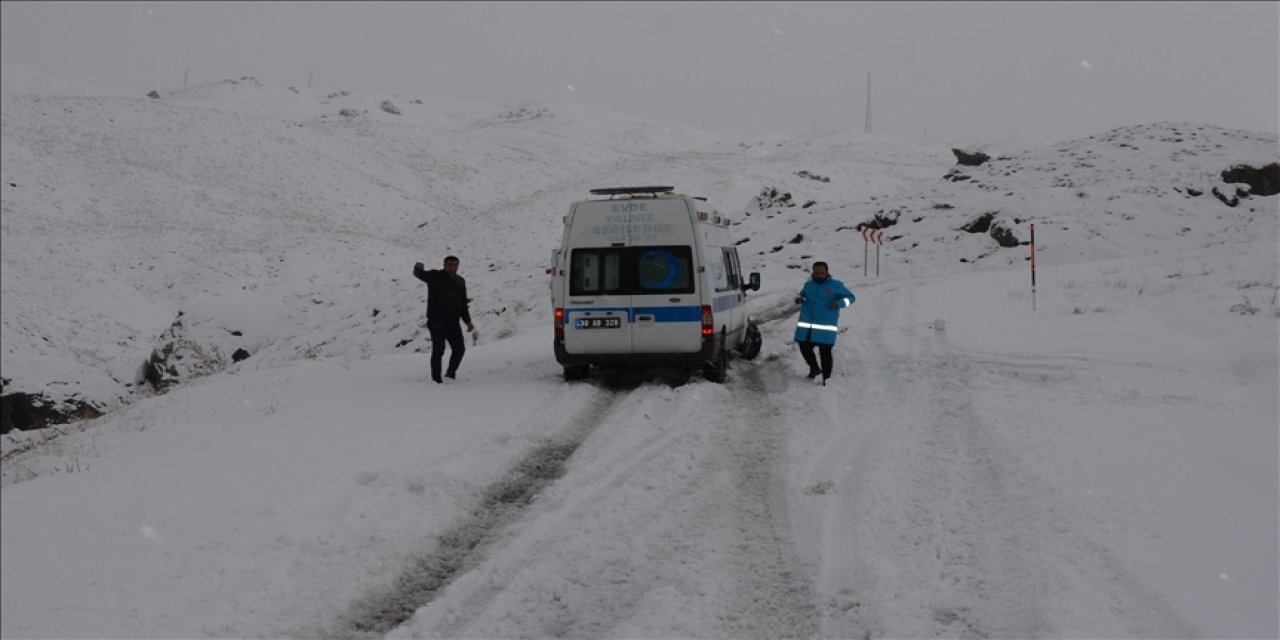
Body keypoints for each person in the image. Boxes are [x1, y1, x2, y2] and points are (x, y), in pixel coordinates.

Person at [413, 256, 475, 383]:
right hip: (436, 320)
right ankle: (436, 380)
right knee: (439, 349)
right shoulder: (435, 275)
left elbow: (462, 303)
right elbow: (420, 274)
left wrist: (468, 321)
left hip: (453, 321)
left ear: (458, 266)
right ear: (444, 265)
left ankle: (451, 373)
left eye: (455, 265)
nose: (452, 268)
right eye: (450, 265)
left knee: (459, 349)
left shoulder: (460, 281)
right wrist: (417, 268)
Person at [793, 261, 856, 385]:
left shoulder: (836, 285)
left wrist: (838, 304)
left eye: (821, 273)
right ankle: (815, 368)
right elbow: (803, 295)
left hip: (825, 326)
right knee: (804, 348)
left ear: (827, 272)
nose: (819, 275)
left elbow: (851, 298)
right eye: (816, 273)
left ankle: (826, 379)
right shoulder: (808, 285)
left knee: (825, 353)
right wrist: (801, 299)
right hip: (807, 326)